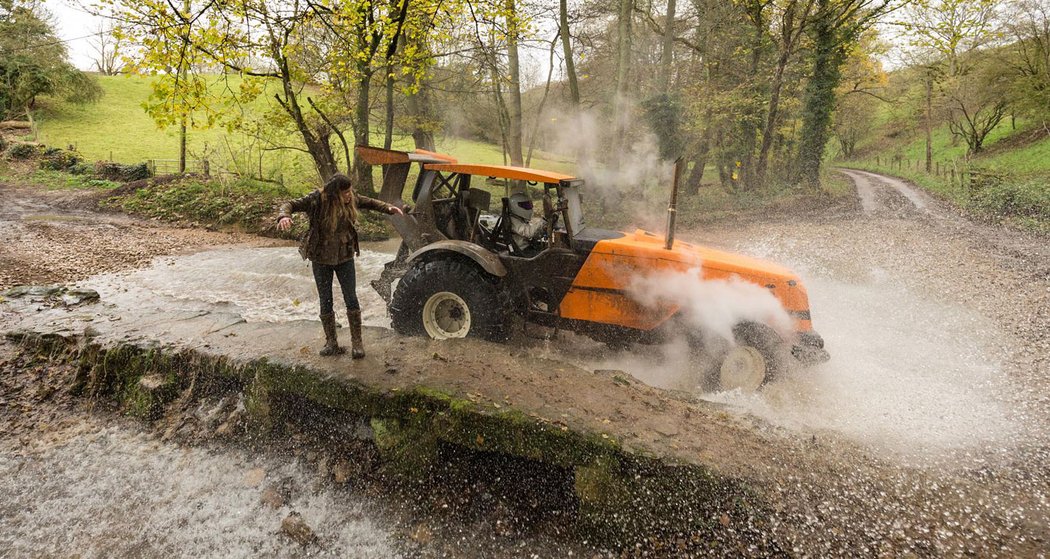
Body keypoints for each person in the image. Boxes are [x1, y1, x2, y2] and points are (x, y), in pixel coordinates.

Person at [277, 173, 404, 358]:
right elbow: (290, 204)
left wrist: (389, 208)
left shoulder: (351, 198)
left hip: (344, 256)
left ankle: (357, 344)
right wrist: (283, 216)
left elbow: (370, 202)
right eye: (345, 193)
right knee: (325, 299)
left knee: (351, 297)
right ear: (334, 193)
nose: (349, 195)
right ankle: (331, 343)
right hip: (320, 257)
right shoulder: (317, 199)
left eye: (349, 191)